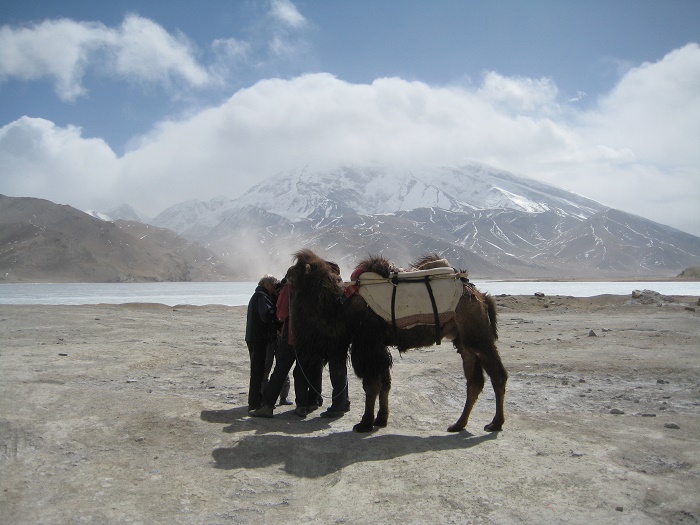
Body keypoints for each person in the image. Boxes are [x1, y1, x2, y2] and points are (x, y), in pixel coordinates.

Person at [244, 274, 278, 411]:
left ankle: (255, 400)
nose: (275, 287)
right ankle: (255, 402)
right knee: (258, 371)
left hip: (254, 337)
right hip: (258, 339)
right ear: (267, 285)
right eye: (274, 285)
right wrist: (277, 316)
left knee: (257, 370)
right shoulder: (261, 296)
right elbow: (266, 315)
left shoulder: (258, 296)